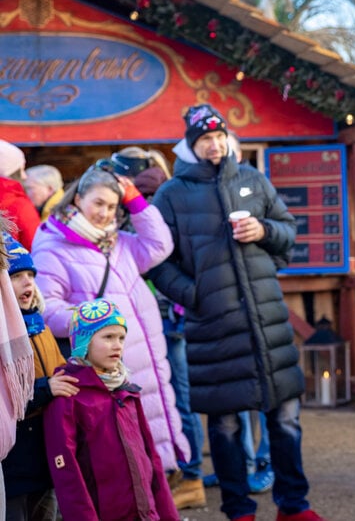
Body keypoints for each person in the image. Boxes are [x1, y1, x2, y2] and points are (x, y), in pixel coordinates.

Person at [149, 103, 325, 521]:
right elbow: (157, 261)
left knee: (285, 419)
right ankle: (239, 510)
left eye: (218, 136)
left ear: (228, 138)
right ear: (191, 146)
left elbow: (289, 234)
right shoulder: (171, 194)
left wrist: (264, 232)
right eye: (204, 139)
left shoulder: (253, 180)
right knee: (225, 426)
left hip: (267, 323)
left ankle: (294, 507)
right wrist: (193, 294)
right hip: (213, 325)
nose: (214, 144)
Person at [31, 165, 189, 482]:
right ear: (77, 198)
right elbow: (48, 312)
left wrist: (137, 203)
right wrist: (92, 318)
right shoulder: (54, 247)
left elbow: (160, 246)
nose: (105, 213)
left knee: (152, 471)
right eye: (98, 203)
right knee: (124, 472)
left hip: (148, 370)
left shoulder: (119, 242)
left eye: (112, 206)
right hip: (107, 376)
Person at [43, 299, 178, 520]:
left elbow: (151, 458)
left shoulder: (127, 390)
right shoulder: (68, 394)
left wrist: (168, 514)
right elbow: (68, 473)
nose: (117, 345)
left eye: (121, 338)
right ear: (83, 342)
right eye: (107, 337)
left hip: (145, 513)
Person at [132, 164, 208, 509]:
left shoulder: (149, 222)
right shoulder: (175, 213)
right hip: (170, 318)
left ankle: (190, 475)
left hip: (167, 320)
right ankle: (182, 473)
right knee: (175, 397)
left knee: (176, 397)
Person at [1, 235, 47, 521]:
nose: (27, 282)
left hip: (44, 461)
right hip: (15, 466)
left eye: (31, 274)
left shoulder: (41, 325)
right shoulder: (8, 336)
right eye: (17, 275)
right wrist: (49, 388)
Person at [0, 141, 40, 250]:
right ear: (10, 172)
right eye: (21, 169)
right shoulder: (20, 205)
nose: (24, 176)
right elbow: (35, 247)